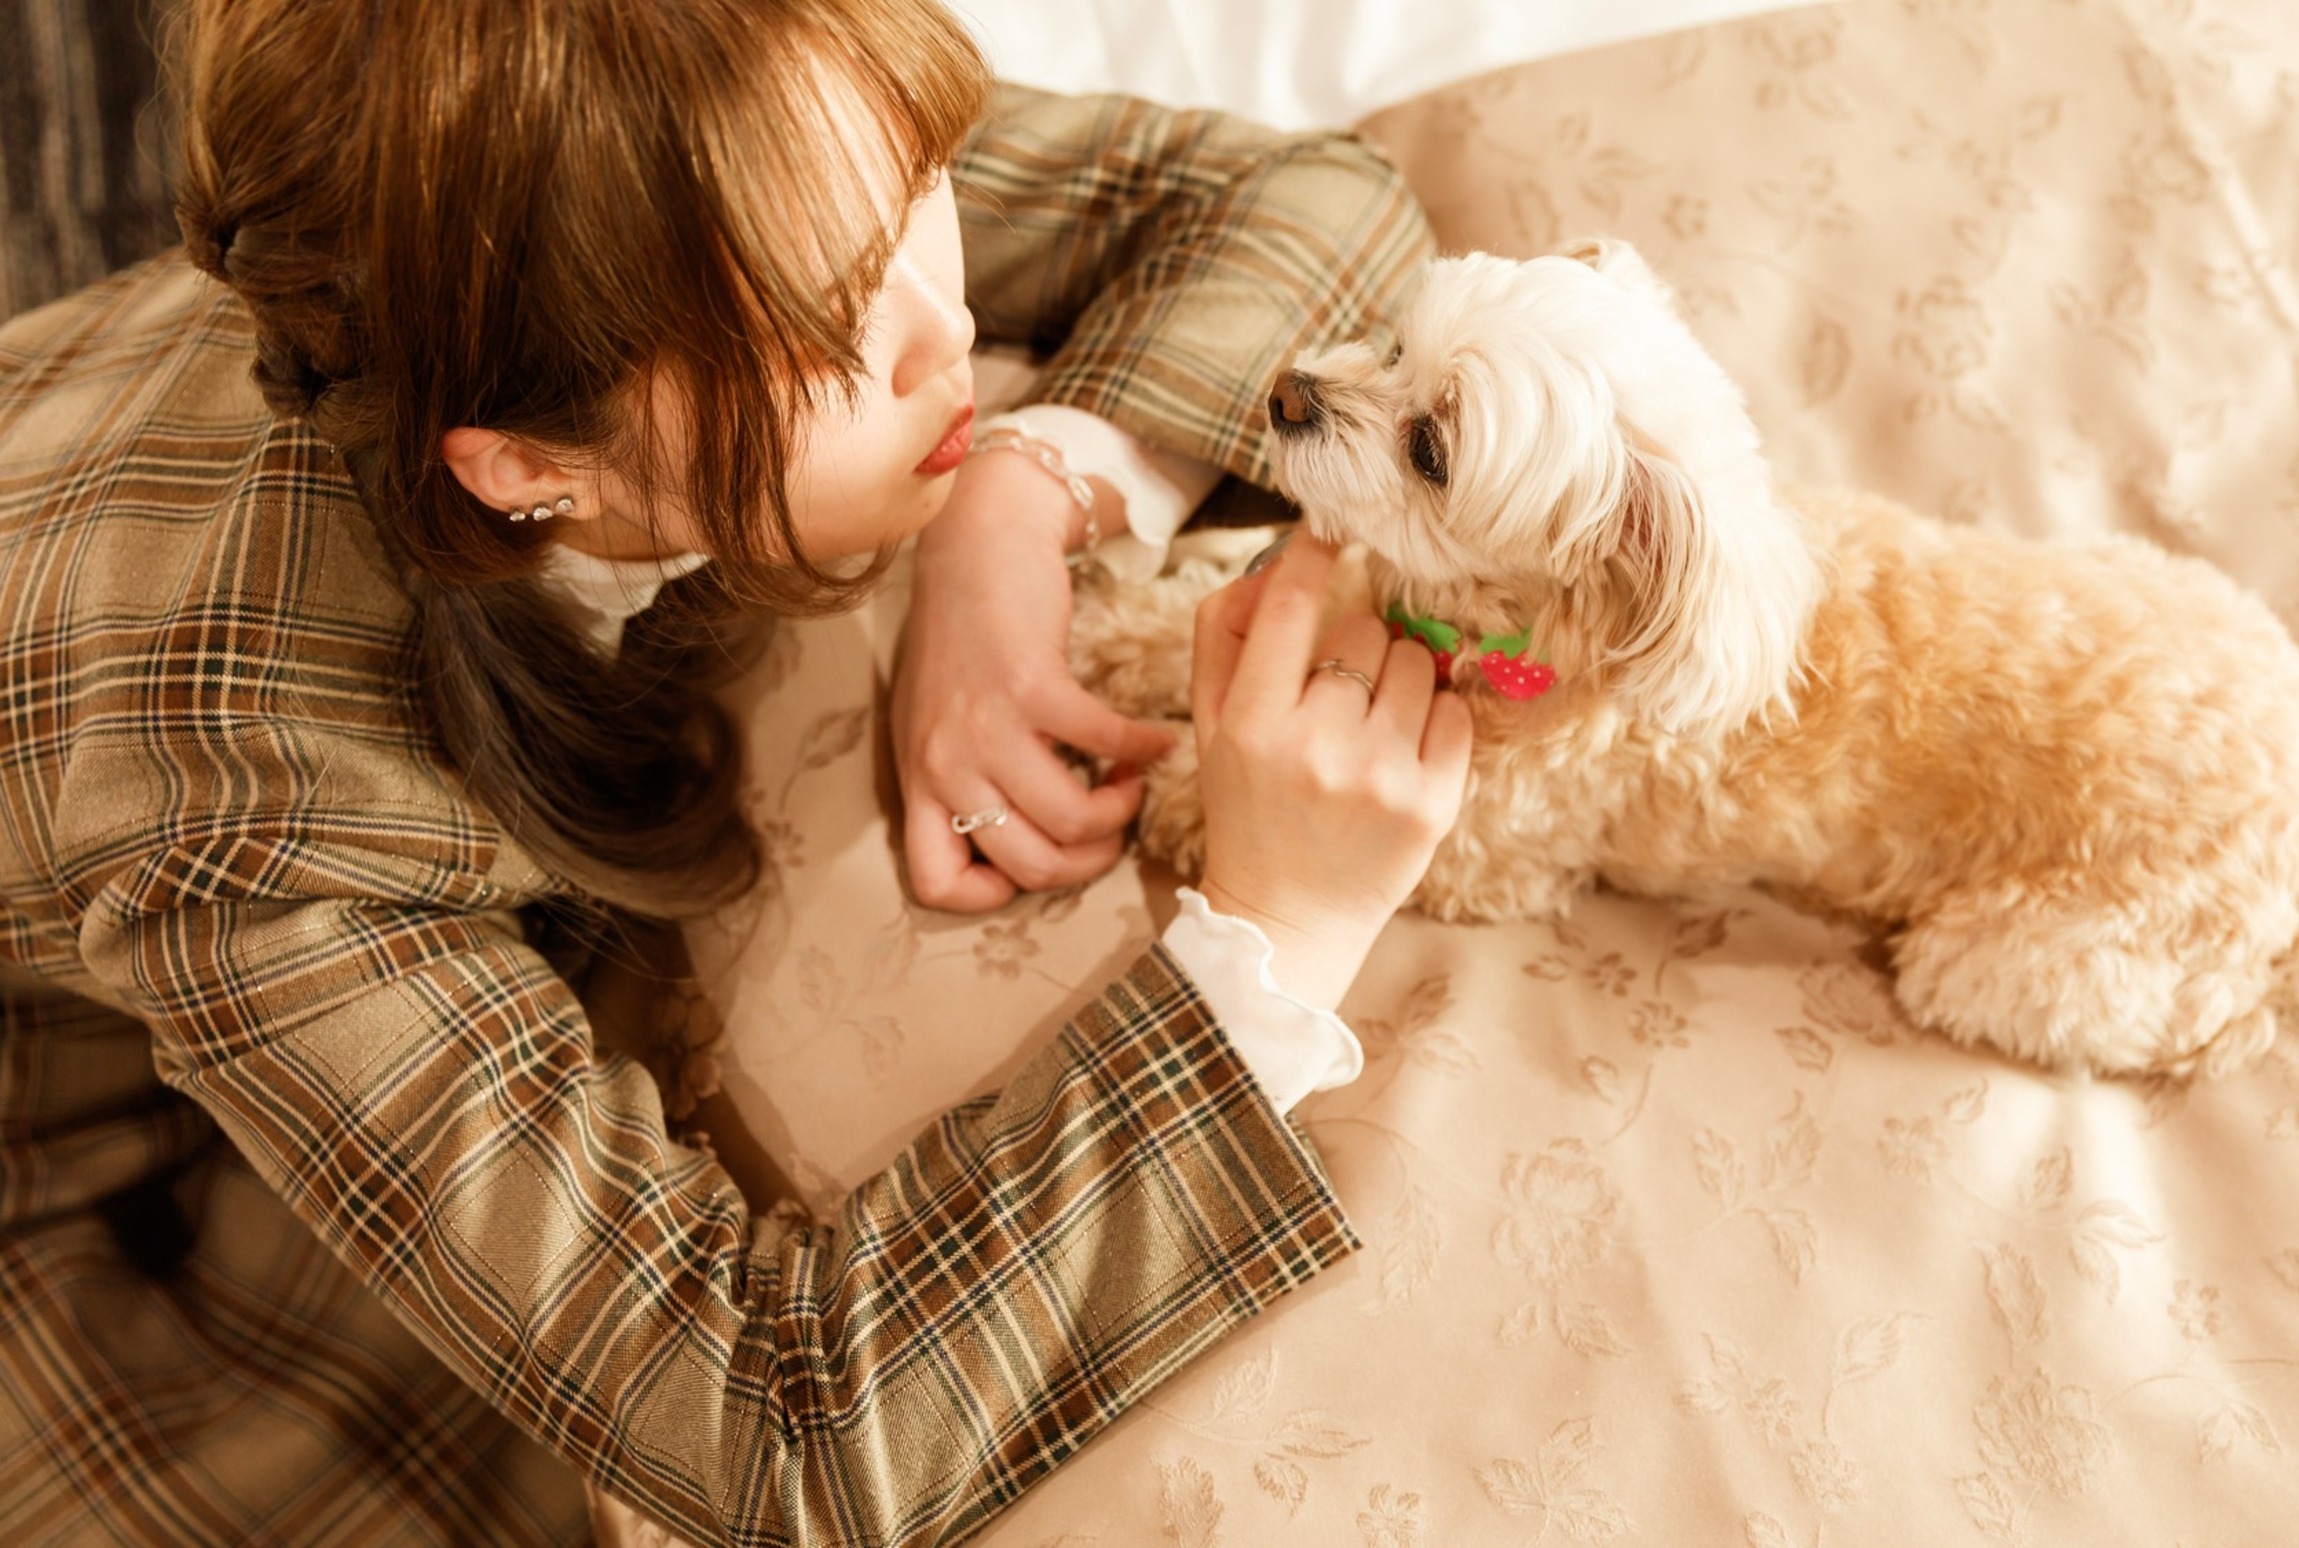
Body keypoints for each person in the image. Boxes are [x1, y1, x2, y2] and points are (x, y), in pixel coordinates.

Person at [0, 0, 1471, 1542]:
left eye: (926, 188)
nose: (943, 331)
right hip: (113, 1213)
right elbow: (778, 1435)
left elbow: (1305, 193)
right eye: (835, 323)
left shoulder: (672, 146)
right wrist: (1274, 936)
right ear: (522, 467)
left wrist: (1024, 500)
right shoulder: (245, 793)